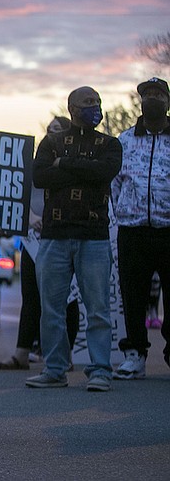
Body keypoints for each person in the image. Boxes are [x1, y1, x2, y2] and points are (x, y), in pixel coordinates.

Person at [27, 86, 122, 392]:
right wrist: (85, 171)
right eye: (87, 103)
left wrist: (64, 164)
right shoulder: (51, 141)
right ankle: (54, 369)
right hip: (54, 236)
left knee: (97, 309)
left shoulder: (110, 144)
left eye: (97, 102)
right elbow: (40, 176)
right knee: (51, 308)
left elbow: (105, 173)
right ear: (72, 108)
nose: (94, 107)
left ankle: (100, 370)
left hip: (93, 237)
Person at [0, 118, 80, 371]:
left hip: (64, 236)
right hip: (33, 240)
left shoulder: (75, 166)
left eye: (59, 130)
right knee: (30, 296)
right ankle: (22, 352)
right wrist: (29, 219)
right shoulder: (32, 167)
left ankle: (65, 353)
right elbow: (19, 198)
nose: (52, 134)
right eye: (49, 131)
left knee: (67, 297)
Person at [111, 77, 170, 378]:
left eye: (159, 94)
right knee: (132, 295)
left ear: (167, 102)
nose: (153, 99)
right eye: (148, 94)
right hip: (133, 231)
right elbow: (115, 183)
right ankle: (134, 355)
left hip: (168, 231)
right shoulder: (125, 140)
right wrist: (124, 210)